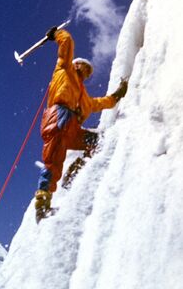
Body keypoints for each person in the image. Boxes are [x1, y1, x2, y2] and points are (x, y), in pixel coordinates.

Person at [35, 27, 128, 221]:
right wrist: (56, 35)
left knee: (98, 141)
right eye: (84, 68)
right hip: (58, 116)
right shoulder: (64, 70)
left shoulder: (83, 96)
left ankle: (75, 171)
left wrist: (117, 95)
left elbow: (99, 103)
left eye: (88, 72)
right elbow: (67, 42)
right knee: (54, 158)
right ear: (76, 65)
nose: (86, 73)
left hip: (72, 128)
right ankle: (43, 201)